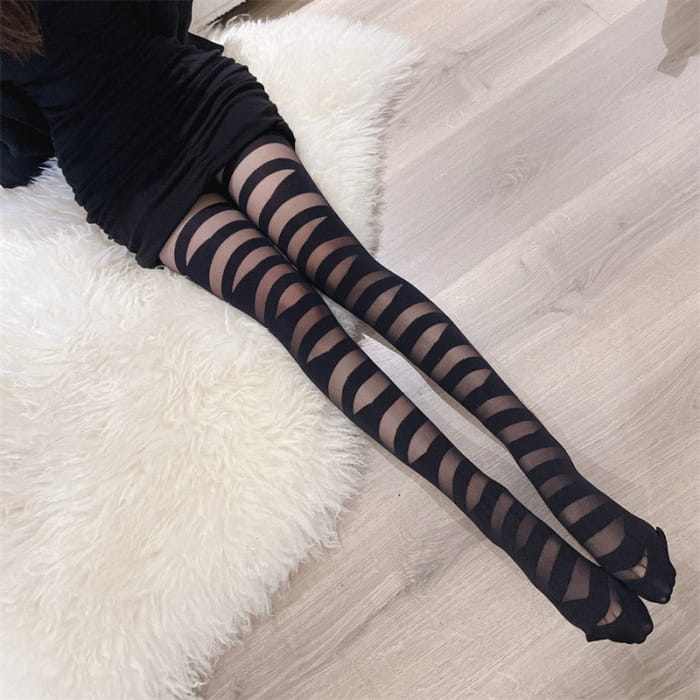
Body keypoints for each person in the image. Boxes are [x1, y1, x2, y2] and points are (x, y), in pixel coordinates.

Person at [0, 0, 675, 645]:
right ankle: (539, 498)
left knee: (319, 302)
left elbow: (17, 152)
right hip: (171, 113)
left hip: (139, 153)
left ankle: (533, 505)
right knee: (328, 293)